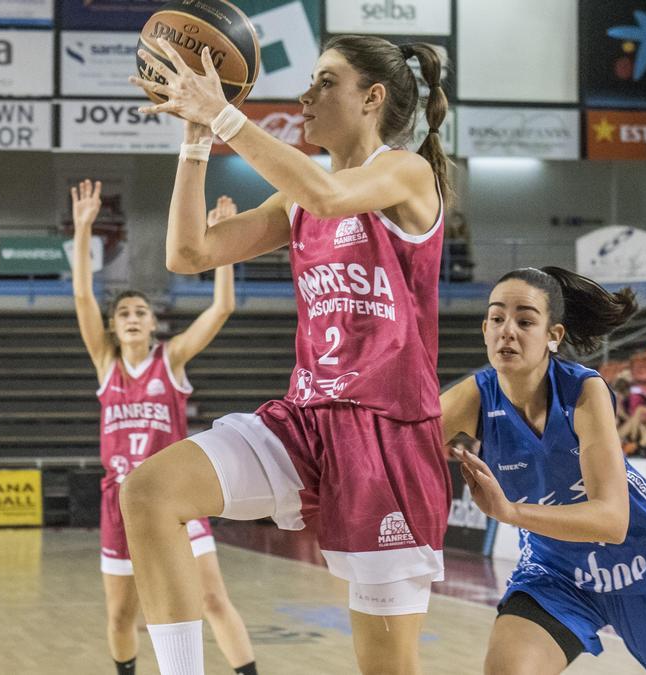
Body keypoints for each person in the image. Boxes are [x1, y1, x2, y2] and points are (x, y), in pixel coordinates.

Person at [124, 35, 451, 674]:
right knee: (149, 492)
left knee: (387, 667)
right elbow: (187, 255)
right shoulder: (297, 196)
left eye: (326, 82)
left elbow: (331, 197)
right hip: (304, 421)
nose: (305, 95)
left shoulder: (406, 173)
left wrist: (225, 115)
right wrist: (196, 139)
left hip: (387, 435)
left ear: (372, 98)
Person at [440, 266, 646, 675]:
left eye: (525, 320)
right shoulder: (475, 395)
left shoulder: (583, 390)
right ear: (485, 328)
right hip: (558, 572)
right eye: (497, 318)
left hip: (640, 563)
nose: (508, 330)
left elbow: (611, 520)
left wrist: (510, 513)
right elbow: (393, 449)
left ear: (553, 336)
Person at [69, 181, 255, 675]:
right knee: (121, 615)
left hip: (174, 496)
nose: (131, 317)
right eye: (123, 313)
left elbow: (221, 309)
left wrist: (224, 248)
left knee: (213, 599)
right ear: (114, 327)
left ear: (154, 325)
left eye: (140, 312)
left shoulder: (170, 361)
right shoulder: (105, 364)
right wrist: (85, 228)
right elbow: (84, 296)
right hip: (119, 500)